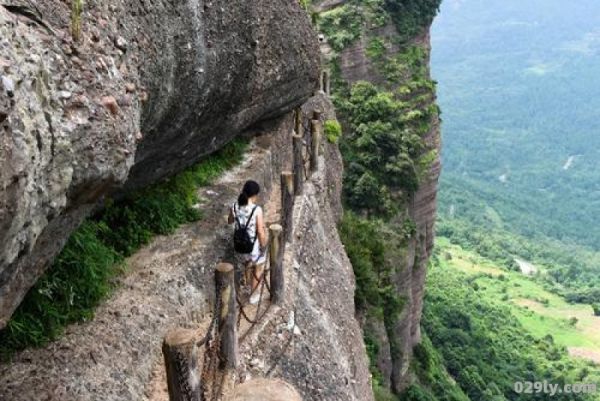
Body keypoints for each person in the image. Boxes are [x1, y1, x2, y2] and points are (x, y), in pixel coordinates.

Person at [228, 180, 268, 305]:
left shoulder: (235, 206)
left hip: (239, 245)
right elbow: (260, 231)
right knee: (258, 268)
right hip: (253, 246)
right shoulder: (257, 210)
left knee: (247, 263)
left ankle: (245, 285)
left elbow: (230, 221)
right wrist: (264, 245)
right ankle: (254, 295)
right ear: (255, 195)